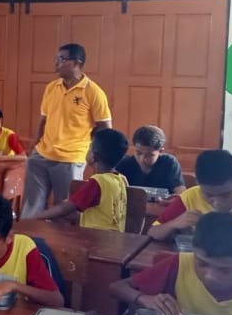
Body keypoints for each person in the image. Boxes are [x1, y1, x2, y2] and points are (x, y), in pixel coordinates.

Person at [110, 212, 232, 315]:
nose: (210, 276)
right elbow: (117, 287)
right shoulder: (180, 264)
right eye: (202, 264)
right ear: (193, 250)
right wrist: (145, 299)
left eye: (225, 270)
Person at [149, 150, 232, 266]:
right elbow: (153, 232)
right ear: (198, 184)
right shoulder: (190, 196)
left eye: (225, 195)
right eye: (208, 195)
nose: (217, 202)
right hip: (200, 266)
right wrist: (175, 223)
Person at [21, 43, 112, 218]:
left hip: (70, 158)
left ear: (76, 63)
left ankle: (59, 237)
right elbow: (43, 120)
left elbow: (105, 128)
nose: (56, 63)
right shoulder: (52, 87)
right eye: (56, 59)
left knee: (65, 210)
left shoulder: (93, 92)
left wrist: (97, 156)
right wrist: (35, 145)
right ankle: (27, 234)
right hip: (42, 154)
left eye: (61, 59)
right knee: (31, 206)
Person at [29, 128, 130, 232]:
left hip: (96, 238)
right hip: (115, 237)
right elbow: (103, 214)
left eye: (90, 146)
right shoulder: (121, 179)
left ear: (93, 157)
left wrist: (38, 216)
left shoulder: (97, 182)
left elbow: (66, 208)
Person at [115, 125, 185, 195]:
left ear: (160, 151)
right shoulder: (125, 163)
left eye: (149, 155)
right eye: (138, 153)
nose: (143, 159)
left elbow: (180, 192)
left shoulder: (169, 163)